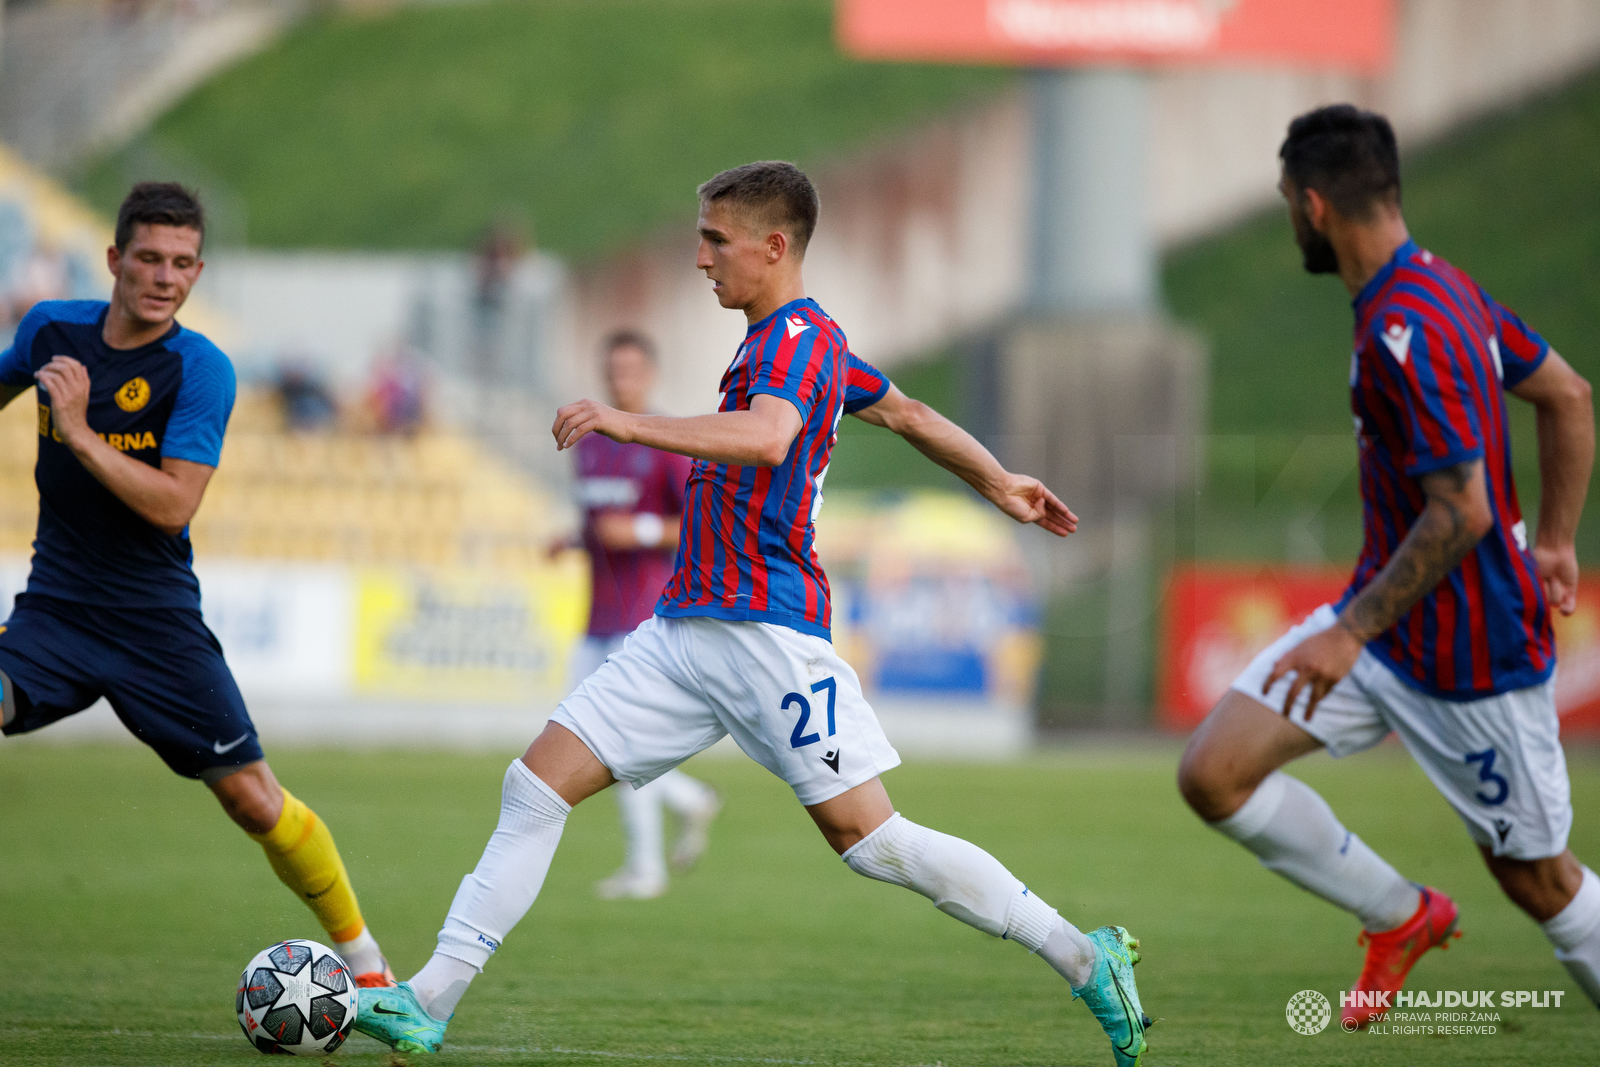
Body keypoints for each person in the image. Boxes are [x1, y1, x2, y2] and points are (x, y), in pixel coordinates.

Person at [354, 161, 1153, 1066]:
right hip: (687, 630)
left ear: (774, 247)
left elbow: (770, 436)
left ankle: (1087, 957)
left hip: (768, 634)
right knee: (534, 786)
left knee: (870, 839)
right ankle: (427, 1003)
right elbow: (910, 412)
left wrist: (627, 421)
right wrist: (998, 478)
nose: (700, 258)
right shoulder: (793, 340)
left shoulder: (794, 344)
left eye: (714, 239)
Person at [1176, 105, 1598, 1027]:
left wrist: (1347, 629)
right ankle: (1399, 915)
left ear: (1315, 205)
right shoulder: (1442, 291)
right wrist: (1559, 540)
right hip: (1386, 636)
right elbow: (1566, 394)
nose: (1291, 218)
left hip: (1471, 661)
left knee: (1538, 878)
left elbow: (1466, 509)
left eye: (1289, 202)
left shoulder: (1412, 329)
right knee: (1215, 772)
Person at [0, 182, 396, 989]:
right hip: (57, 611)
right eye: (148, 257)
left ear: (198, 271)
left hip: (156, 624)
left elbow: (173, 502)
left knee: (255, 801)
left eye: (183, 263)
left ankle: (373, 973)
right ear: (113, 259)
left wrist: (74, 432)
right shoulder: (50, 330)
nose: (165, 276)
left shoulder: (200, 369)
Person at [558, 328, 720, 900]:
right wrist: (570, 540)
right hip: (594, 616)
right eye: (612, 371)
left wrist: (643, 529)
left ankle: (646, 868)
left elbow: (702, 525)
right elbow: (597, 520)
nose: (620, 380)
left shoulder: (666, 443)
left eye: (630, 370)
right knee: (578, 738)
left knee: (611, 744)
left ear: (649, 375)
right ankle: (689, 800)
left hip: (641, 620)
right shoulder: (593, 442)